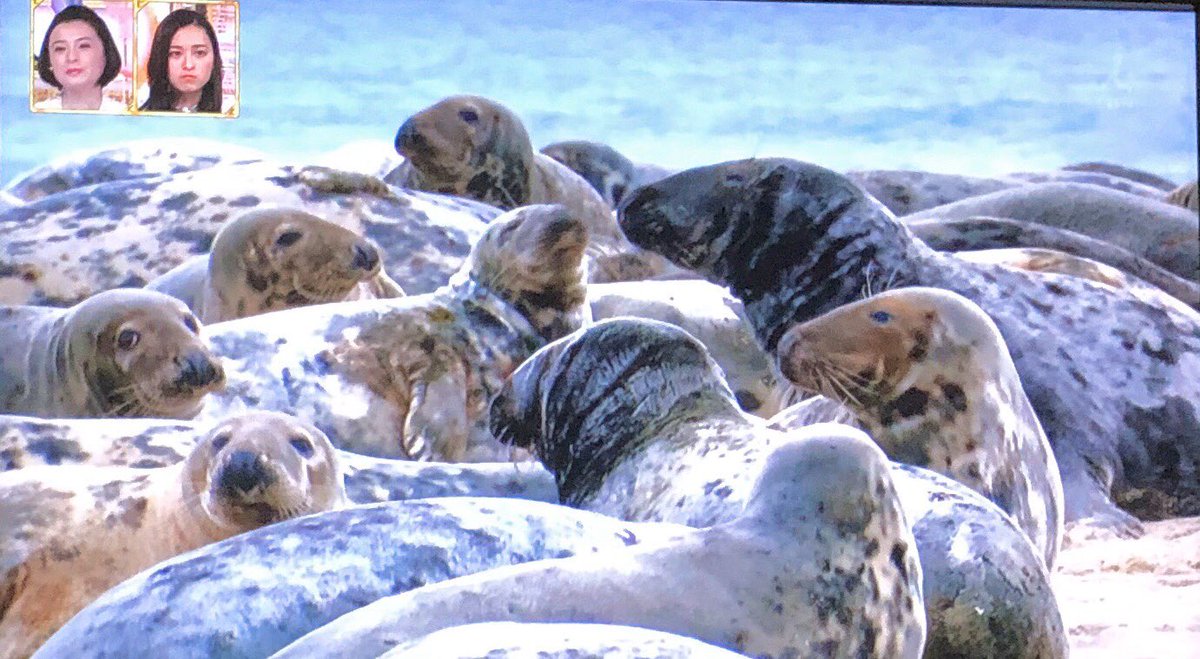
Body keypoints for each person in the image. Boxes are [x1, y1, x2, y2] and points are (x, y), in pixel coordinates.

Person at [34, 5, 125, 112]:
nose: (71, 57)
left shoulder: (127, 118)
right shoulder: (35, 117)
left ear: (106, 53)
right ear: (49, 60)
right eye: (60, 48)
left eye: (83, 46)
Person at [139, 8, 223, 113]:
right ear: (161, 59)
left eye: (200, 53)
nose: (188, 65)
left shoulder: (234, 120)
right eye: (176, 53)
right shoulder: (139, 121)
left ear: (215, 59)